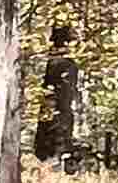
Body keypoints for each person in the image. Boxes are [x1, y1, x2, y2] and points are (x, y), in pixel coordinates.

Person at [35, 23, 86, 163]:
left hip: (58, 100)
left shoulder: (49, 153)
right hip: (62, 99)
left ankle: (61, 31)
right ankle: (62, 29)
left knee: (61, 74)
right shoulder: (65, 145)